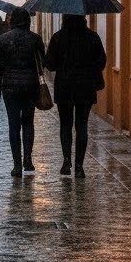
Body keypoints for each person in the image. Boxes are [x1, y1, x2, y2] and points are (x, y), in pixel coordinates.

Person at [45, 14, 107, 178]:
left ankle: (66, 162)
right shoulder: (92, 37)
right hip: (85, 86)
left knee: (65, 125)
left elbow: (50, 64)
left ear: (65, 19)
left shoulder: (58, 38)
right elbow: (101, 61)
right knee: (82, 126)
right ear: (83, 19)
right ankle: (79, 166)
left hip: (64, 86)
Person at [0, 8, 45, 177]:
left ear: (12, 20)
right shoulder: (35, 39)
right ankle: (28, 159)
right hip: (30, 86)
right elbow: (42, 63)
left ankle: (17, 165)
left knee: (13, 125)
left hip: (10, 88)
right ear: (27, 21)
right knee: (28, 122)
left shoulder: (3, 39)